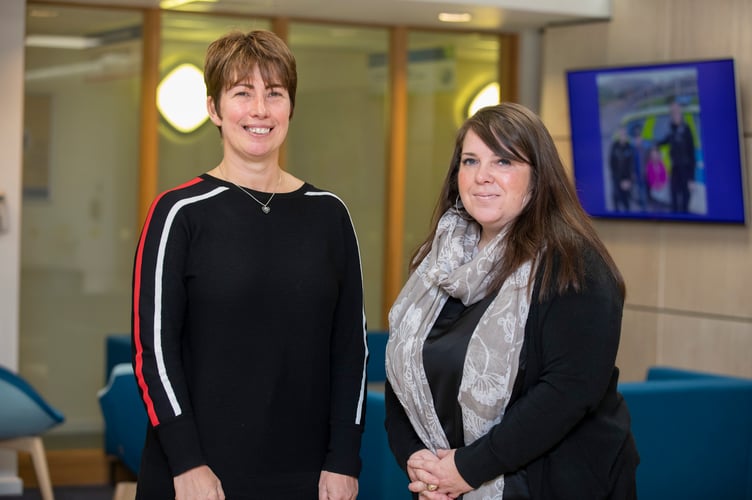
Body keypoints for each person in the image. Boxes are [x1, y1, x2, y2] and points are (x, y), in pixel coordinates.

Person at [131, 30, 366, 500]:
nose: (260, 109)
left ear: (290, 108)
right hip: (198, 476)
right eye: (242, 93)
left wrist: (344, 458)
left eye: (274, 94)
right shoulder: (179, 212)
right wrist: (187, 463)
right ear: (214, 109)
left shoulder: (329, 214)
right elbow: (153, 354)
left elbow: (351, 350)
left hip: (309, 476)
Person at [384, 103, 639, 500]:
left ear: (538, 179)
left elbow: (567, 393)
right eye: (470, 161)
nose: (482, 176)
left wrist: (467, 470)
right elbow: (404, 369)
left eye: (503, 161)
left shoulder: (574, 264)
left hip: (553, 486)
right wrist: (418, 460)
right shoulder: (438, 262)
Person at [657, 98, 696, 213]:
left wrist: (691, 178)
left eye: (676, 111)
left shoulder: (686, 129)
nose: (675, 114)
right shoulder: (672, 130)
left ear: (680, 112)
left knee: (685, 201)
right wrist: (654, 144)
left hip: (685, 169)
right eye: (672, 112)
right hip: (675, 169)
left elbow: (692, 153)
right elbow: (664, 141)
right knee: (673, 198)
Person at [608, 125, 636, 211]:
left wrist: (628, 180)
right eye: (621, 133)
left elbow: (631, 165)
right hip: (616, 179)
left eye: (624, 134)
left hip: (626, 180)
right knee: (616, 200)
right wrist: (616, 179)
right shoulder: (614, 147)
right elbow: (611, 163)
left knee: (626, 202)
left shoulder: (629, 147)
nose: (622, 135)